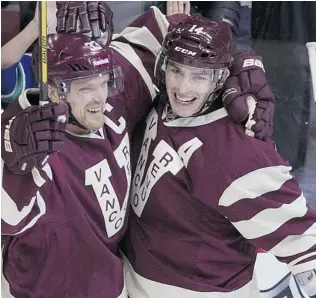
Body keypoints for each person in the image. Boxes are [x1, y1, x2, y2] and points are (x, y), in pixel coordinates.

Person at [1, 3, 191, 297]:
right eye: (86, 88)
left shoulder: (113, 99)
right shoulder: (28, 140)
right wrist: (14, 164)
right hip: (41, 288)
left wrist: (240, 80)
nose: (100, 98)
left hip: (109, 281)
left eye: (104, 83)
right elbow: (7, 217)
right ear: (54, 91)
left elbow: (172, 44)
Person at [120, 15, 316, 298]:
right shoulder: (162, 100)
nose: (183, 88)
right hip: (136, 278)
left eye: (199, 76)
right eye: (177, 70)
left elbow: (305, 243)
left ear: (221, 78)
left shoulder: (235, 153)